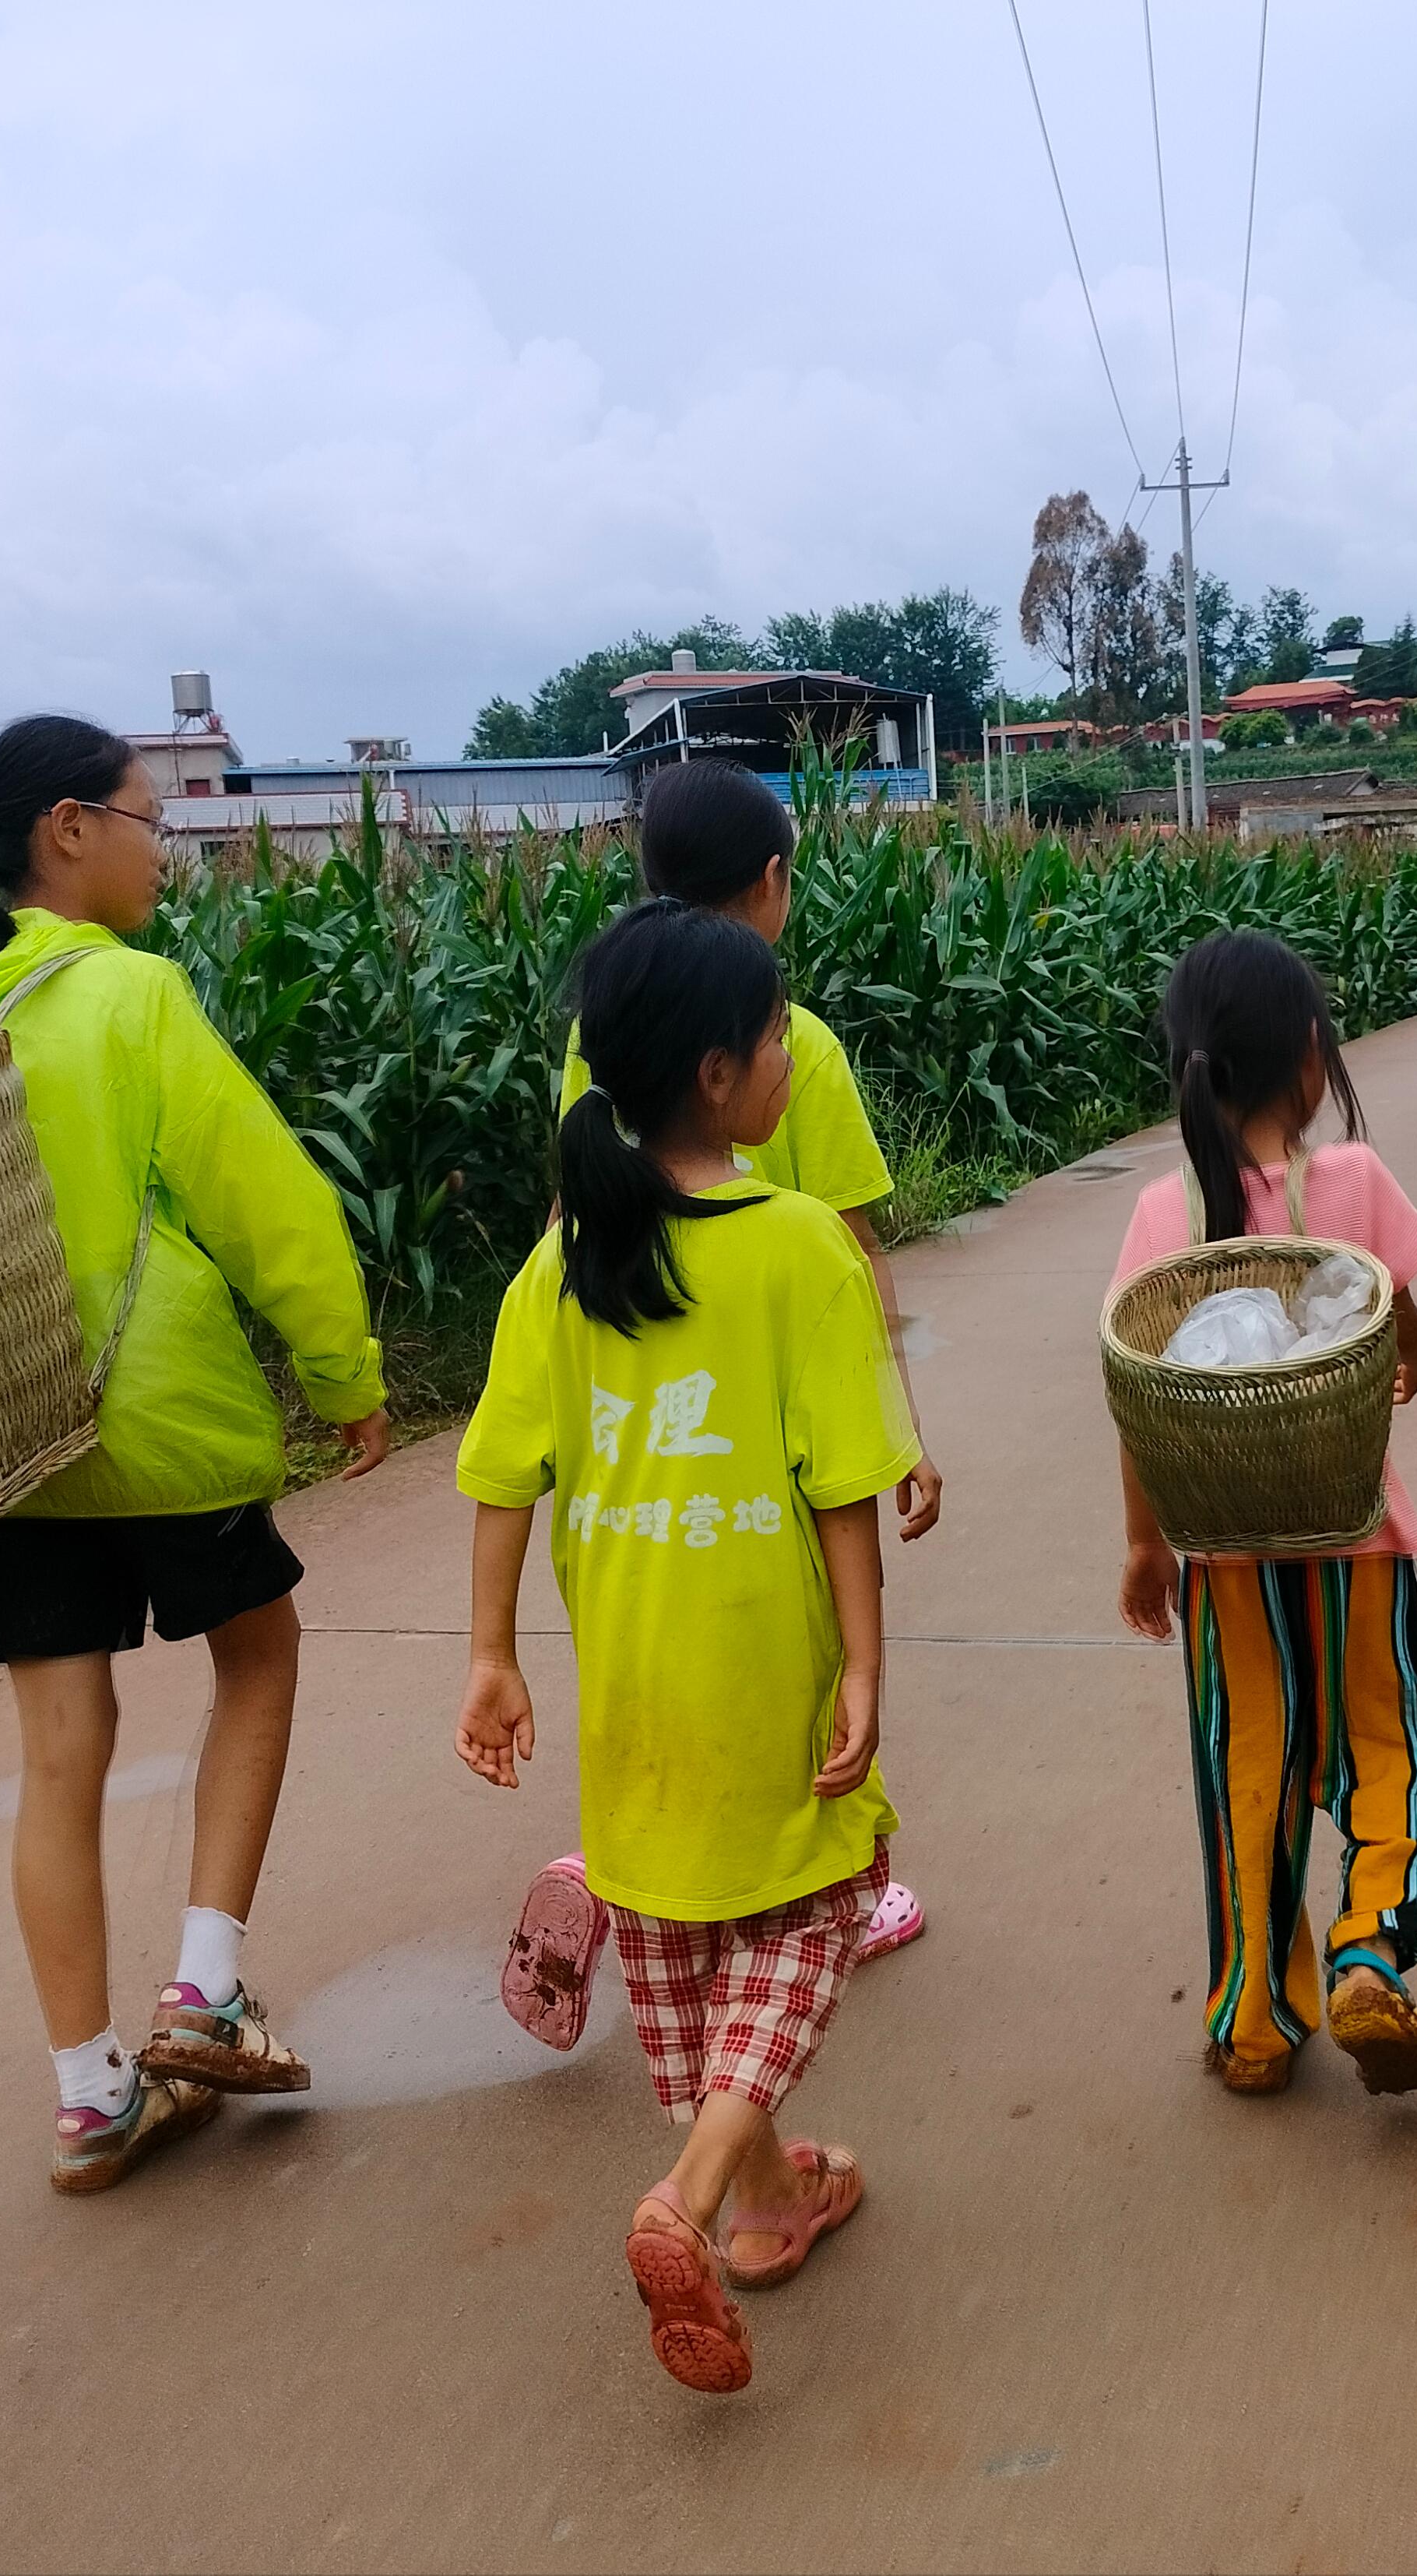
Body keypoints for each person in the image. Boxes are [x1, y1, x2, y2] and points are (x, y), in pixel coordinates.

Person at [0, 716, 391, 2195]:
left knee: (57, 1751)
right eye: (145, 817)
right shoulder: (131, 996)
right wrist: (343, 1373)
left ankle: (89, 2094)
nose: (163, 845)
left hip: (10, 1438)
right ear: (68, 830)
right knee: (259, 1654)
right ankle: (206, 1987)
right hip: (159, 1423)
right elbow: (264, 1199)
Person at [459, 899, 922, 2395]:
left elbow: (498, 1473)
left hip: (631, 1705)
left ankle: (779, 2202)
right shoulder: (793, 1248)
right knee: (803, 1921)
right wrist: (862, 1666)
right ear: (721, 1076)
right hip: (765, 1682)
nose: (792, 1052)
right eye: (779, 1034)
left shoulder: (565, 1261)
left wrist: (492, 1653)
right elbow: (840, 1483)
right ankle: (694, 2193)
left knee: (685, 1936)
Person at [563, 761, 935, 1958]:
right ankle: (846, 1883)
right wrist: (901, 1425)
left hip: (632, 1414)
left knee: (665, 1646)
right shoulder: (799, 1044)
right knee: (823, 1663)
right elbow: (854, 1242)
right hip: (771, 1413)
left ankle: (640, 1859)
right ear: (772, 881)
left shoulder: (603, 1029)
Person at [1114, 931, 1417, 2100]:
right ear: (1312, 1060)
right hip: (1358, 1544)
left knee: (1247, 1774)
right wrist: (1411, 1358)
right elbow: (1399, 1326)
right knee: (1390, 1759)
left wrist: (1143, 1543)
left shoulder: (1164, 1214)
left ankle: (1254, 2027)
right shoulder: (1352, 1182)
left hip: (1225, 1563)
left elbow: (1138, 1397)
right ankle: (1369, 1949)